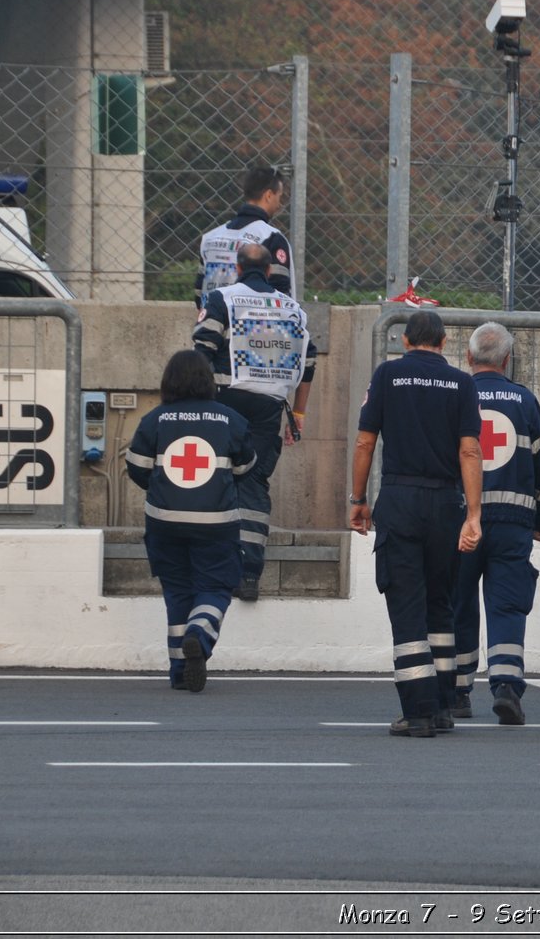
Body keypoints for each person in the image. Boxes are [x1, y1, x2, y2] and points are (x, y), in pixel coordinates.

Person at [349, 310, 483, 738]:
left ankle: (419, 711)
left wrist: (358, 499)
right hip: (447, 502)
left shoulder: (388, 375)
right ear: (444, 344)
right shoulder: (462, 383)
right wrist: (474, 515)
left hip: (400, 499)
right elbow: (469, 452)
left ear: (405, 341)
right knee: (440, 603)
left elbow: (366, 440)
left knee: (406, 605)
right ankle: (444, 704)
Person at [450, 322, 540, 725]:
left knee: (457, 603)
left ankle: (457, 693)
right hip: (514, 525)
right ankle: (507, 688)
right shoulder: (524, 401)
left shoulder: (455, 396)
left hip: (462, 523)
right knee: (507, 605)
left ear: (468, 357)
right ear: (508, 360)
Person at [124, 349, 256, 693]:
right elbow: (245, 468)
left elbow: (137, 469)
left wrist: (163, 488)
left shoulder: (155, 419)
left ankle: (181, 672)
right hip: (216, 523)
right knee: (215, 587)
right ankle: (200, 633)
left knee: (178, 593)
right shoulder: (231, 419)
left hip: (164, 522)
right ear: (208, 381)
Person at [193, 241, 316, 600]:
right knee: (253, 483)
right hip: (269, 407)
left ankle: (212, 569)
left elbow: (202, 351)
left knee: (214, 480)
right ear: (268, 271)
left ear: (236, 266)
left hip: (222, 399)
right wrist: (299, 415)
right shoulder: (294, 310)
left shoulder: (222, 299)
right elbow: (308, 367)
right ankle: (248, 574)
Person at [197, 166, 296, 301]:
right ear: (268, 195)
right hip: (253, 321)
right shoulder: (272, 238)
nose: (279, 204)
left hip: (212, 319)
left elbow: (199, 293)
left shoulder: (210, 238)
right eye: (279, 196)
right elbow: (281, 298)